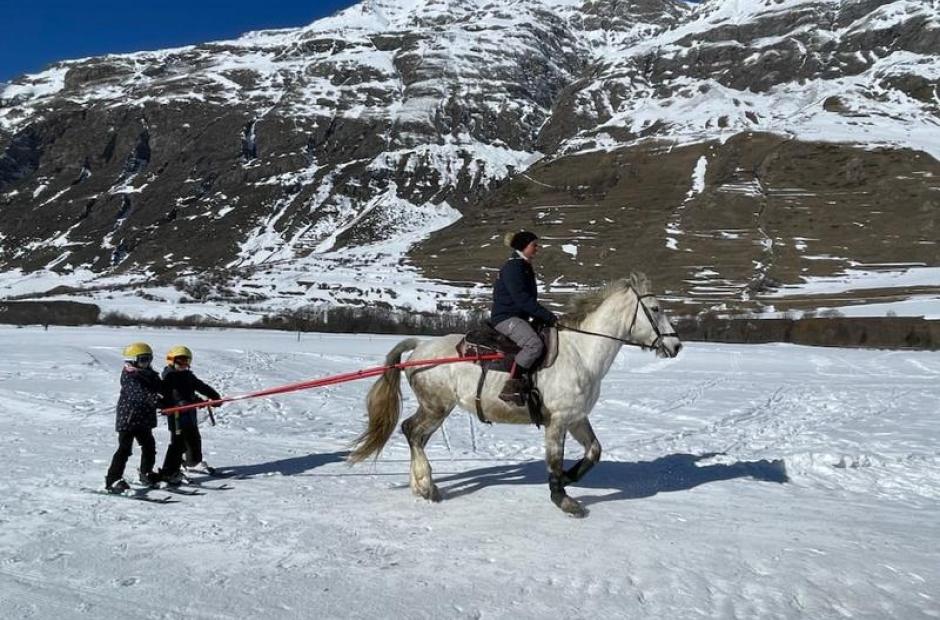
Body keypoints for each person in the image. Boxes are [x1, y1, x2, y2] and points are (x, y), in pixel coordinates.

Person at [490, 230, 558, 405]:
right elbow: (521, 299)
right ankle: (511, 387)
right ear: (524, 246)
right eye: (534, 245)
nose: (537, 248)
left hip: (518, 317)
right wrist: (548, 316)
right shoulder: (514, 267)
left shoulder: (522, 265)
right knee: (533, 345)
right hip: (506, 318)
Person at [157, 345, 221, 484]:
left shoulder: (187, 375)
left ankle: (193, 463)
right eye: (180, 362)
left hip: (189, 413)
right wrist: (180, 403)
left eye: (186, 362)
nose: (183, 365)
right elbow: (171, 394)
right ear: (171, 361)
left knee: (194, 438)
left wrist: (214, 397)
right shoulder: (169, 376)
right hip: (176, 416)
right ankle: (171, 470)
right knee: (178, 442)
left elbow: (200, 386)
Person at [105, 342, 163, 492]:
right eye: (143, 359)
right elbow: (140, 394)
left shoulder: (150, 375)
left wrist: (177, 399)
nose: (147, 363)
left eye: (149, 359)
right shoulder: (129, 376)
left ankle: (146, 472)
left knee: (149, 447)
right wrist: (158, 401)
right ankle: (113, 480)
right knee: (124, 449)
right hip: (129, 419)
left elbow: (163, 389)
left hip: (144, 419)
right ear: (132, 360)